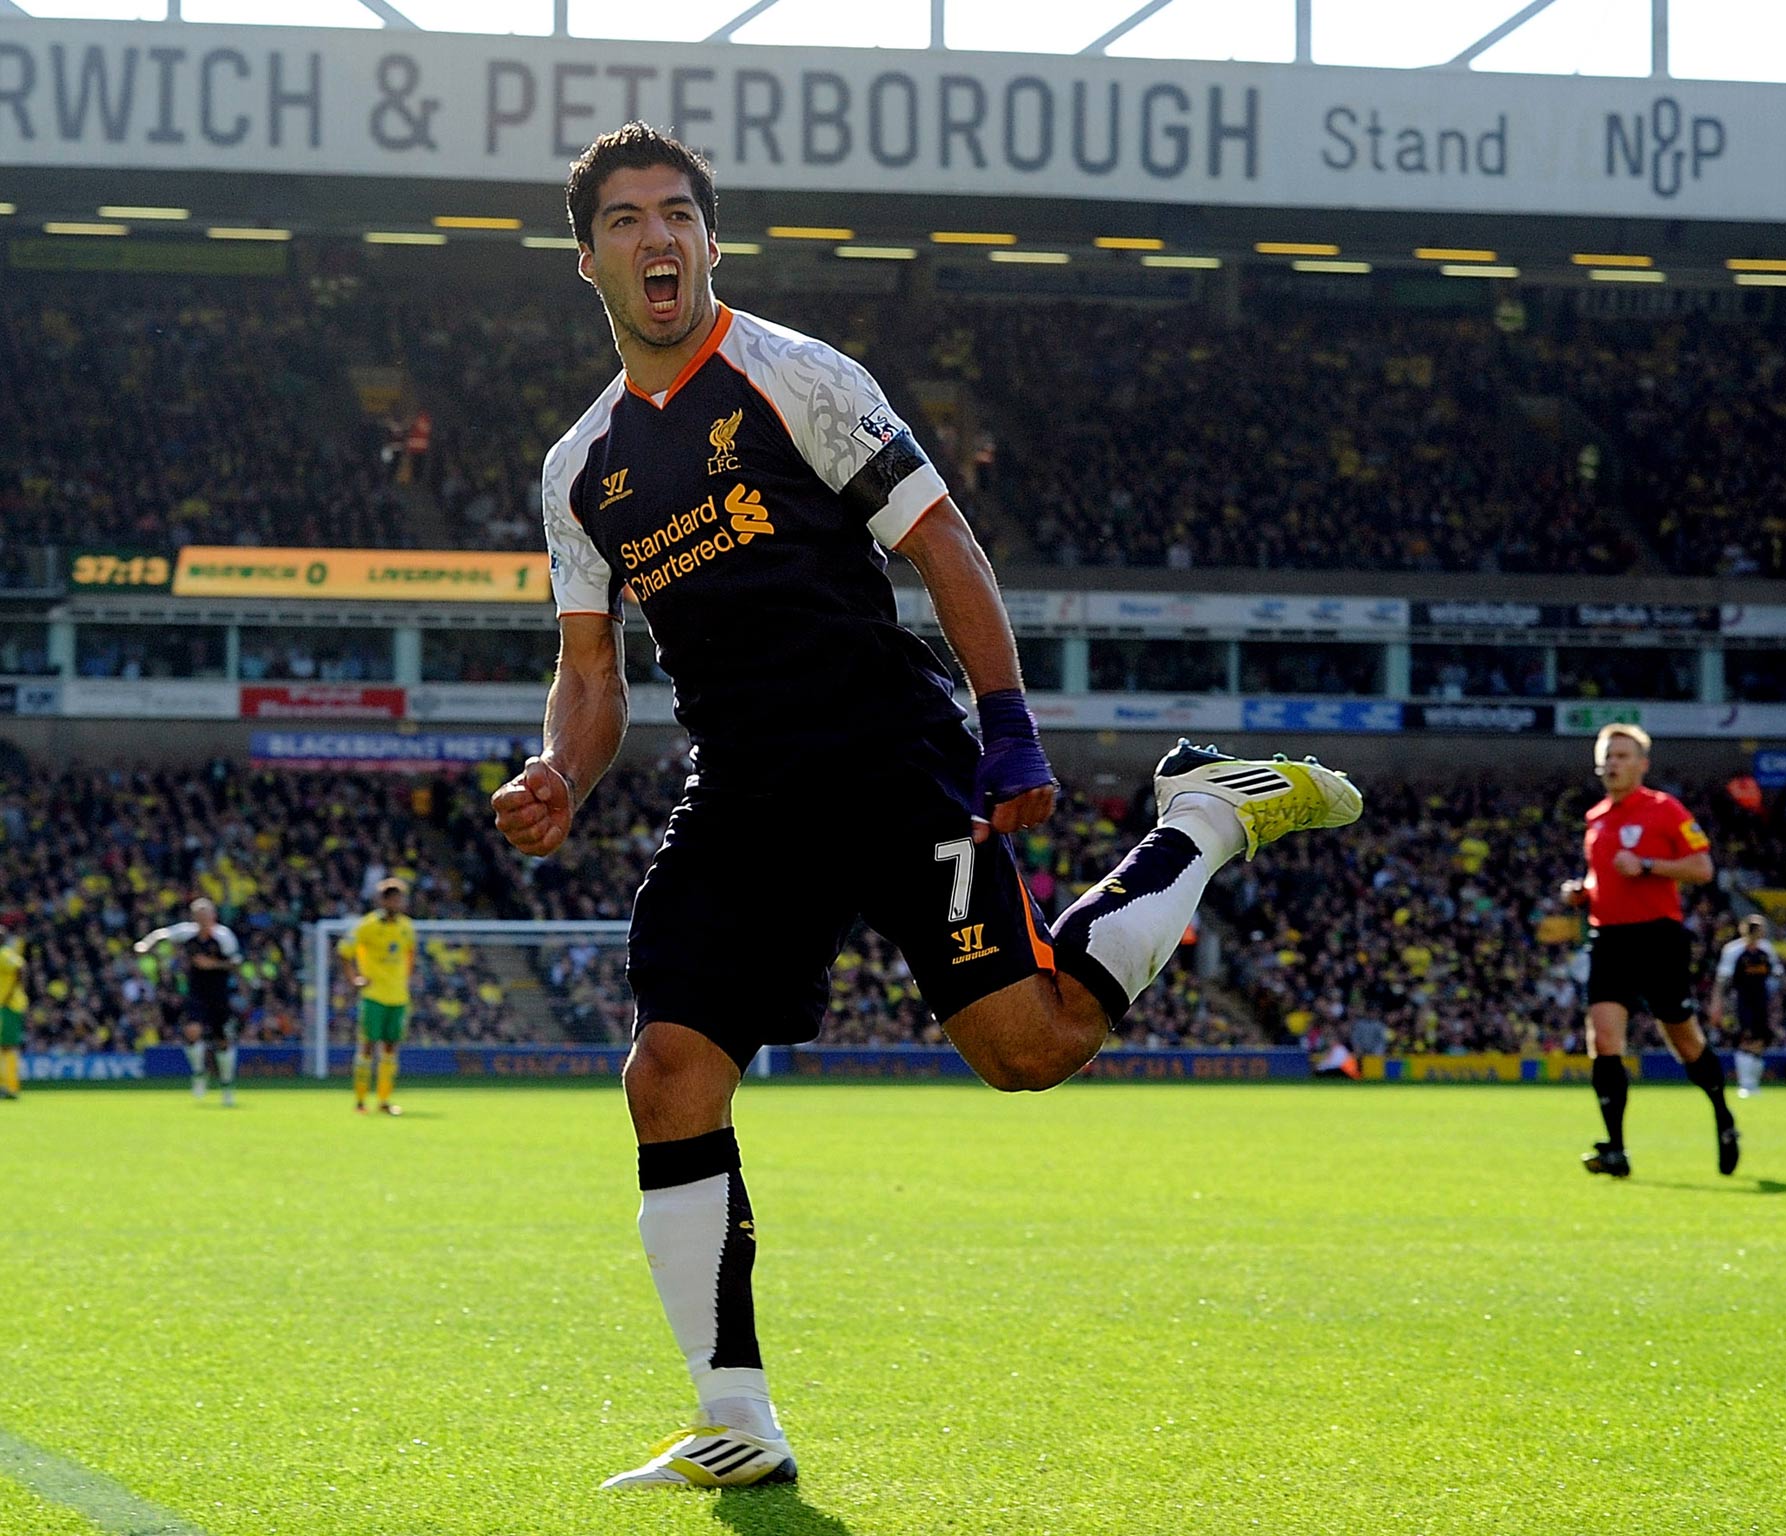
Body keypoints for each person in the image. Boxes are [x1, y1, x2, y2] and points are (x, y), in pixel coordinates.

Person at [492, 122, 1363, 1493]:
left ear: (711, 240)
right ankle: (737, 1422)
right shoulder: (580, 468)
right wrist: (562, 774)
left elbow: (942, 538)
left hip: (899, 766)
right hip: (746, 796)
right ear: (586, 257)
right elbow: (590, 673)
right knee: (667, 1073)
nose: (657, 238)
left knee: (1028, 1045)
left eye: (678, 214)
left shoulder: (797, 376)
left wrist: (1009, 731)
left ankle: (1199, 820)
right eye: (625, 220)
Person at [1559, 724, 1734, 1178]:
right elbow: (1605, 879)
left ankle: (1722, 1113)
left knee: (1684, 1040)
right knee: (1603, 1038)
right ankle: (1615, 1148)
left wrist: (1649, 866)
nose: (1614, 763)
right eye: (1608, 756)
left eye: (1623, 755)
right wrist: (1584, 892)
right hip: (1608, 938)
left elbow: (1702, 868)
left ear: (1642, 764)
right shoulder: (1595, 818)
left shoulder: (1665, 809)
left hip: (1658, 937)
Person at [136, 898, 243, 1106]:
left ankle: (227, 1085)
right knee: (192, 1031)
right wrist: (145, 944)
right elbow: (161, 934)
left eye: (206, 915)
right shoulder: (187, 932)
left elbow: (236, 963)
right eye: (199, 915)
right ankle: (199, 1074)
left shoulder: (223, 936)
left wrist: (213, 964)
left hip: (219, 994)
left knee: (222, 1041)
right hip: (197, 992)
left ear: (213, 916)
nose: (202, 919)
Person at [345, 877, 416, 1116]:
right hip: (373, 995)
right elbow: (345, 951)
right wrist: (354, 978)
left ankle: (384, 1101)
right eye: (394, 898)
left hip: (398, 997)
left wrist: (406, 978)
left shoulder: (407, 927)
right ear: (383, 901)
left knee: (390, 1049)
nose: (398, 903)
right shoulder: (366, 926)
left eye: (400, 898)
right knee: (367, 1047)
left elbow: (410, 955)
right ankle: (360, 1101)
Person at [1710, 915, 1783, 1097]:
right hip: (1740, 1000)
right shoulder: (1733, 951)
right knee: (1745, 1037)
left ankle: (1753, 1084)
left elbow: (1777, 974)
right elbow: (1723, 979)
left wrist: (1785, 996)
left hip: (1762, 1000)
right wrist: (1718, 1003)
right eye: (1760, 929)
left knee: (1760, 1039)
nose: (1764, 932)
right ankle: (1745, 1084)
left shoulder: (1766, 949)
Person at [0, 933, 25, 1101]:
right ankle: (6, 1086)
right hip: (6, 1005)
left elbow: (20, 968)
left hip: (9, 1005)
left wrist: (9, 994)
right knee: (4, 1047)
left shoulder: (3, 953)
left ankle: (10, 1087)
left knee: (8, 1046)